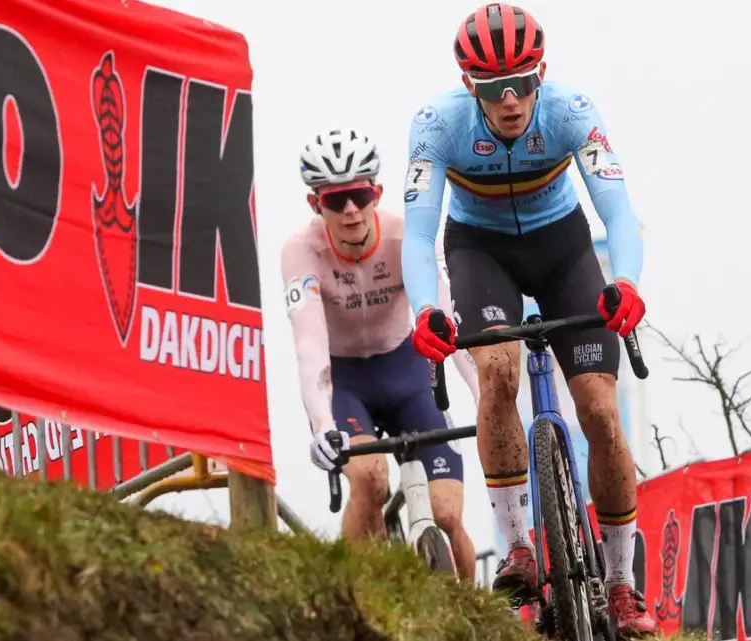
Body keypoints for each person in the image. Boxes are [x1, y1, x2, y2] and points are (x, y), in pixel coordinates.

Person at [399, 4, 656, 636]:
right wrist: (426, 309)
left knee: (598, 408)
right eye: (493, 88)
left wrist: (625, 283)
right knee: (495, 374)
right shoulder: (437, 126)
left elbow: (618, 211)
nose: (511, 100)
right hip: (480, 251)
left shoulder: (571, 111)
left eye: (524, 82)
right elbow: (420, 232)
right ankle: (517, 545)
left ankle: (622, 585)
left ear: (543, 73)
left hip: (563, 248)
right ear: (469, 87)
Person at [281, 127, 481, 581]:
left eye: (359, 195)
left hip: (407, 371)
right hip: (347, 383)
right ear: (317, 205)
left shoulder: (404, 237)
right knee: (369, 480)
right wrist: (322, 426)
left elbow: (448, 321)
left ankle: (474, 615)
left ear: (377, 193)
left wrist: (484, 397)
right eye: (336, 200)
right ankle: (362, 596)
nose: (350, 209)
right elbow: (309, 345)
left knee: (448, 516)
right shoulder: (300, 252)